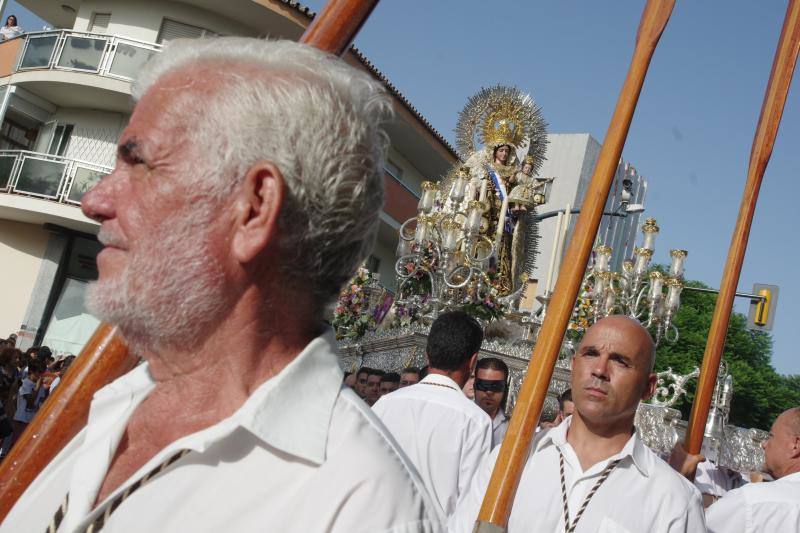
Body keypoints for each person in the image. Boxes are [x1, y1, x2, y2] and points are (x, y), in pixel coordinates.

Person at [1, 38, 444, 533]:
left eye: (139, 163)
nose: (95, 200)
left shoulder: (361, 506)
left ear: (253, 210)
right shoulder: (101, 407)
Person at [450, 316, 705, 533]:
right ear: (574, 366)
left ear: (648, 387)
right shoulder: (512, 459)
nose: (600, 370)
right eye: (590, 354)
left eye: (620, 361)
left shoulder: (673, 499)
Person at [373, 311, 492, 518]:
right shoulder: (475, 420)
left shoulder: (385, 404)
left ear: (427, 355)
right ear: (473, 362)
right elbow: (469, 506)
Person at [702, 407, 800, 532]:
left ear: (795, 445)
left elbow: (693, 526)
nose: (764, 444)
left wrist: (683, 482)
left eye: (771, 435)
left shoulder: (752, 502)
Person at [473, 357, 510, 448]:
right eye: (483, 385)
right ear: (474, 385)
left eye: (496, 386)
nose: (489, 392)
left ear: (505, 388)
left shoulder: (512, 427)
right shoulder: (461, 417)